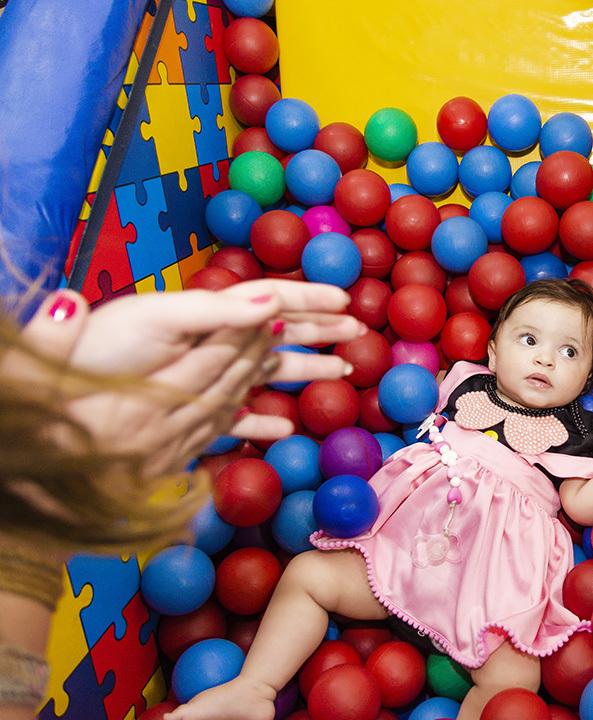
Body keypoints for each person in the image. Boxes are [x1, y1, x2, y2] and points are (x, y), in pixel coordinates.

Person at [166, 278, 593, 720]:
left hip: (489, 587)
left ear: (586, 379)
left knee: (515, 683)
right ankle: (255, 688)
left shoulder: (575, 429)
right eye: (528, 340)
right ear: (492, 351)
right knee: (306, 575)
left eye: (569, 352)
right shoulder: (464, 384)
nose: (546, 359)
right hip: (407, 551)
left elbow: (582, 504)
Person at [0, 279, 363, 717]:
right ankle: (254, 685)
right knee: (311, 575)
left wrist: (37, 473)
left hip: (463, 598)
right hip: (417, 553)